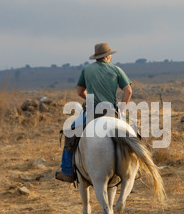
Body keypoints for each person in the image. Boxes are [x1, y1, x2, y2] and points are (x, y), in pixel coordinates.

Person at [55, 43, 133, 183]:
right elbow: (128, 91)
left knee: (70, 133)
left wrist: (90, 99)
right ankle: (135, 168)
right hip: (112, 110)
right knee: (132, 134)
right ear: (108, 56)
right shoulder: (116, 69)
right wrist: (121, 108)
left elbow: (80, 91)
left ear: (97, 57)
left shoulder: (87, 70)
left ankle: (66, 170)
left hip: (92, 110)